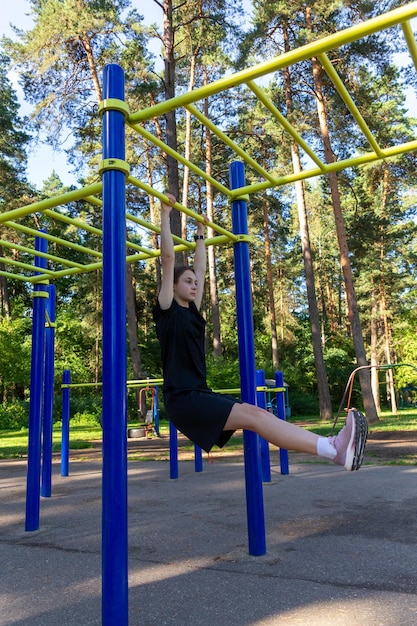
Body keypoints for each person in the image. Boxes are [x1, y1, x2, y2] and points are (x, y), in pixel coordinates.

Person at [152, 194, 368, 471]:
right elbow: (168, 259)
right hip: (182, 398)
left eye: (195, 282)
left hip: (198, 393)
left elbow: (202, 268)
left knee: (256, 414)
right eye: (188, 282)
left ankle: (334, 449)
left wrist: (201, 235)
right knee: (253, 415)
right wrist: (165, 212)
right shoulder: (167, 310)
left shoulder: (193, 311)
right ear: (174, 286)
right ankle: (334, 449)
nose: (194, 285)